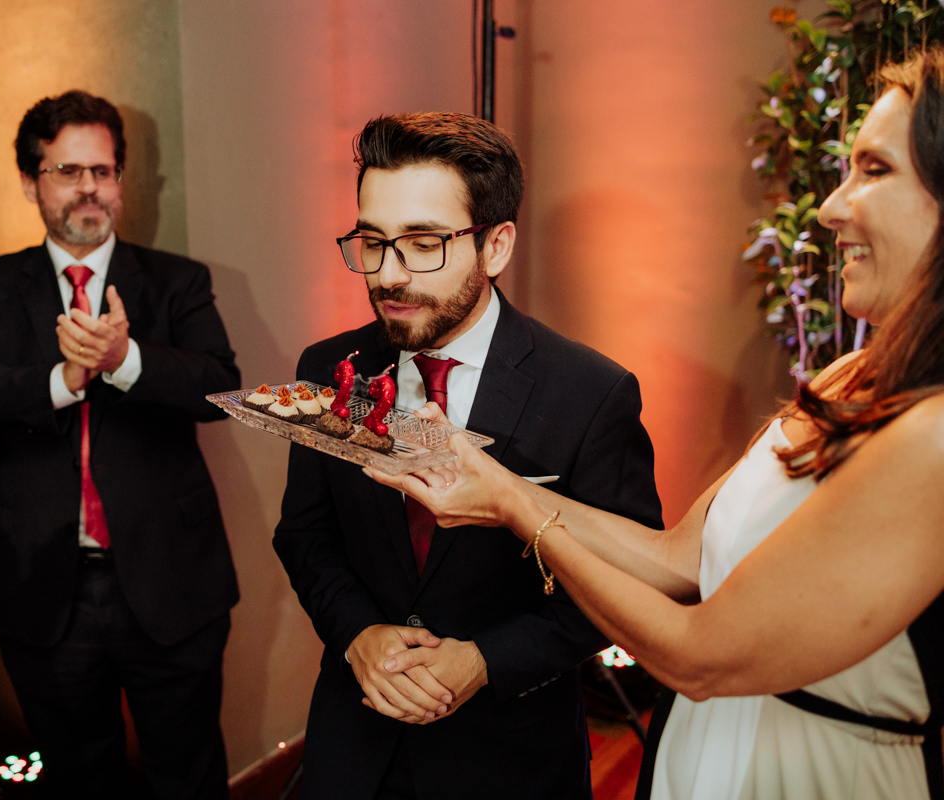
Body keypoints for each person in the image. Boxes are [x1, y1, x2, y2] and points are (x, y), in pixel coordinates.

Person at [370, 52, 944, 800]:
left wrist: (513, 508)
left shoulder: (933, 435)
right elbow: (679, 558)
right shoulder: (846, 376)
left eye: (874, 170)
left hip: (809, 768)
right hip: (702, 748)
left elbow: (699, 656)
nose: (832, 207)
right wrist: (500, 485)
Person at [273, 112, 664, 800]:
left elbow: (622, 584)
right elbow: (306, 535)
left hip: (511, 757)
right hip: (356, 742)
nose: (389, 275)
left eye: (423, 244)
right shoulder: (331, 368)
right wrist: (358, 634)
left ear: (496, 245)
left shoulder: (590, 394)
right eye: (373, 242)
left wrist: (486, 660)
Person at [0, 90, 240, 799]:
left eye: (103, 171)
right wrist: (61, 379)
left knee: (189, 774)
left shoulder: (176, 281)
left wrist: (125, 360)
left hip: (170, 580)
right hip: (41, 585)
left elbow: (220, 387)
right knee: (78, 778)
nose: (89, 188)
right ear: (29, 181)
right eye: (68, 171)